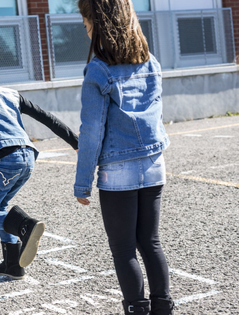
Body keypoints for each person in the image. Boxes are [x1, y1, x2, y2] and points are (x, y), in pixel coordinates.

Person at [74, 0, 174, 314]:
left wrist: (82, 183)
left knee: (123, 248)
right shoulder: (151, 62)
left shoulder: (98, 69)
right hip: (155, 164)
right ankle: (163, 307)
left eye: (86, 21)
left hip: (119, 171)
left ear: (98, 23)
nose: (84, 27)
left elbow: (91, 131)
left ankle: (136, 309)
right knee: (151, 241)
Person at [0, 55, 79, 280]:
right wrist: (75, 143)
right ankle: (13, 265)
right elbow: (48, 118)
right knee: (1, 206)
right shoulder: (12, 94)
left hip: (4, 161)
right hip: (28, 159)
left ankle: (25, 225)